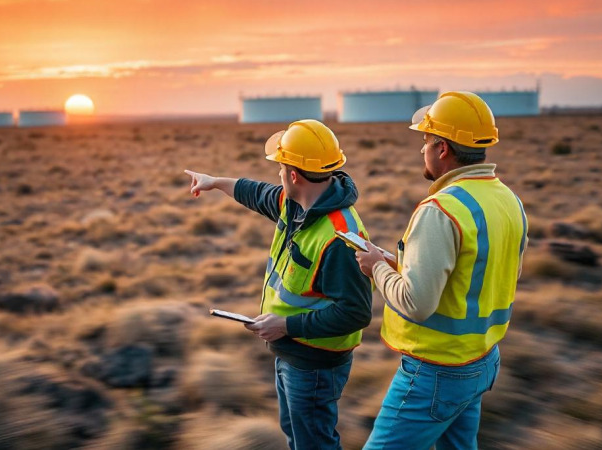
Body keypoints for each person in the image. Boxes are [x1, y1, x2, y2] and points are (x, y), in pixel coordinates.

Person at [185, 119, 372, 450]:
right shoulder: (296, 203)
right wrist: (214, 182)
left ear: (294, 175)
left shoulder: (341, 236)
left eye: (280, 166)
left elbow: (356, 313)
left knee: (314, 444)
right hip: (290, 350)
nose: (277, 174)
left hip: (315, 365)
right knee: (297, 437)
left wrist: (285, 325)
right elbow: (255, 192)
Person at [356, 91, 528, 449]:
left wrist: (376, 269)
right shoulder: (508, 200)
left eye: (425, 140)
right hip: (482, 359)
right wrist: (393, 261)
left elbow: (416, 302)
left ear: (443, 149)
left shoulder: (441, 209)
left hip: (436, 371)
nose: (422, 149)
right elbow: (479, 272)